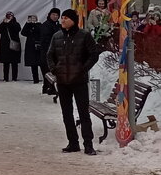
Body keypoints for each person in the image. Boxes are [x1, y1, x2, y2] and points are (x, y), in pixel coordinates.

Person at [46, 9, 102, 155]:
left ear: (73, 20)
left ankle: (88, 144)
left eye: (65, 18)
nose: (62, 20)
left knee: (84, 113)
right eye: (62, 18)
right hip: (63, 81)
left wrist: (83, 69)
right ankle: (73, 143)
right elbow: (50, 55)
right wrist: (54, 69)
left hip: (79, 81)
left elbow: (93, 54)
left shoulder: (84, 36)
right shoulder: (57, 36)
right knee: (67, 113)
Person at [38, 8, 62, 95]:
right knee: (47, 70)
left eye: (57, 15)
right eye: (53, 15)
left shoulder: (58, 25)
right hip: (47, 52)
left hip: (55, 53)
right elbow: (46, 40)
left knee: (52, 71)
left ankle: (50, 88)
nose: (55, 16)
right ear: (49, 15)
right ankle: (47, 88)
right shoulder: (46, 25)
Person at [20, 14, 47, 84]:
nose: (33, 19)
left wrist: (35, 24)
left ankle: (45, 79)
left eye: (34, 18)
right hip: (31, 47)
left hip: (39, 46)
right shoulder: (28, 26)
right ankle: (35, 80)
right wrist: (28, 23)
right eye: (31, 18)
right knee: (33, 64)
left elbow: (41, 32)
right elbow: (23, 33)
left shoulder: (40, 25)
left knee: (41, 63)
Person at [0, 12, 22, 82]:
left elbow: (18, 29)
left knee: (14, 63)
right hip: (5, 46)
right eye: (8, 16)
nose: (10, 17)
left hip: (14, 45)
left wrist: (10, 23)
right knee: (6, 63)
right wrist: (4, 23)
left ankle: (14, 78)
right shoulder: (4, 24)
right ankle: (5, 78)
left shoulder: (16, 23)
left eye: (11, 16)